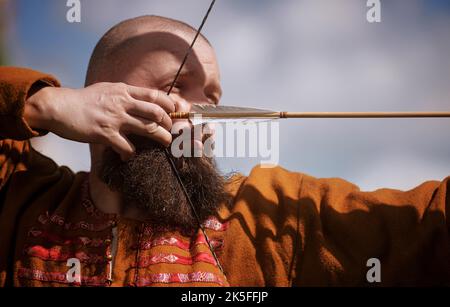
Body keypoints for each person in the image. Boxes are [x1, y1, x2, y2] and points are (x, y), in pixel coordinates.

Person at [0, 15, 449, 287]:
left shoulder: (263, 216)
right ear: (98, 96)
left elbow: (430, 224)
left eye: (210, 102)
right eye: (176, 87)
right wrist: (45, 102)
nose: (198, 118)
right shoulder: (25, 197)